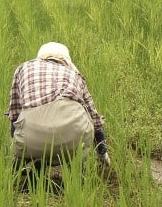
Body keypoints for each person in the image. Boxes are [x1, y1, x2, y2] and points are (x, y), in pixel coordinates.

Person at [6, 42, 110, 171]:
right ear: (66, 60)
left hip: (32, 140)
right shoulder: (75, 76)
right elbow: (96, 121)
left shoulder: (24, 68)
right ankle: (77, 171)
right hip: (73, 143)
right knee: (82, 119)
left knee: (27, 124)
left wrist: (18, 148)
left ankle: (22, 165)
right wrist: (102, 153)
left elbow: (14, 114)